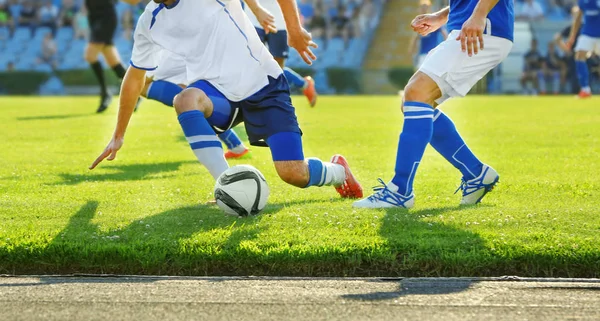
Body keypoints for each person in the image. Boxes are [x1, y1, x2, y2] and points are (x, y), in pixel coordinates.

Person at [90, 0, 363, 200]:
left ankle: (337, 170)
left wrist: (291, 28)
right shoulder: (149, 22)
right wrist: (118, 134)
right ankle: (229, 184)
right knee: (185, 99)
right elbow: (134, 78)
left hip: (263, 84)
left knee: (293, 173)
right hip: (219, 94)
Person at [354, 0, 513, 208]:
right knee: (413, 102)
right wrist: (441, 16)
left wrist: (479, 15)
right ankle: (476, 173)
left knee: (416, 92)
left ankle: (400, 190)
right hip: (472, 27)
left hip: (483, 29)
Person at [244, 0, 318, 107]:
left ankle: (303, 85)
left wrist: (295, 27)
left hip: (280, 21)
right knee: (253, 65)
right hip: (252, 19)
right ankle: (256, 104)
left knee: (276, 70)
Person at [85, 0, 140, 113]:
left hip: (105, 19)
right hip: (94, 18)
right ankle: (136, 93)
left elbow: (133, 2)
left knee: (90, 56)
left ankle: (105, 93)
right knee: (113, 61)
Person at [567, 0, 600, 98]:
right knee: (579, 55)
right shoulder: (582, 1)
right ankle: (585, 89)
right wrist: (572, 36)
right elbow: (578, 18)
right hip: (587, 33)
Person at [408, 0, 448, 70]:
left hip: (433, 53)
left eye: (426, 7)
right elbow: (416, 37)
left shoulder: (433, 20)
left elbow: (444, 33)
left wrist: (446, 45)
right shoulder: (419, 21)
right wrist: (412, 48)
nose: (424, 9)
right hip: (422, 54)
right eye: (422, 7)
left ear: (429, 8)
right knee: (419, 72)